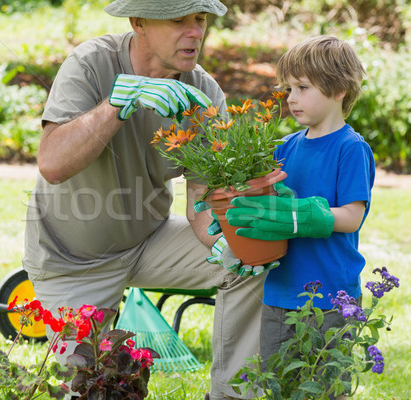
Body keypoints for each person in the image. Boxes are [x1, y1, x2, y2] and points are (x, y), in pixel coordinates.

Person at [22, 1, 265, 399]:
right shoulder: (91, 64)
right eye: (178, 21)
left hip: (147, 242)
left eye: (200, 20)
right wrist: (117, 105)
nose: (195, 32)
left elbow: (200, 204)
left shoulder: (202, 93)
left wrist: (226, 242)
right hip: (71, 261)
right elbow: (52, 163)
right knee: (87, 389)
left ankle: (230, 395)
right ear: (139, 23)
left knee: (251, 259)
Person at [226, 35, 376, 398]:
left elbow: (352, 217)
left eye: (302, 87)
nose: (290, 98)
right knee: (279, 386)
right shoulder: (284, 148)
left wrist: (304, 216)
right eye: (287, 87)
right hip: (281, 293)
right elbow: (260, 198)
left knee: (324, 389)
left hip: (332, 299)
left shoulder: (350, 149)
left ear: (339, 89)